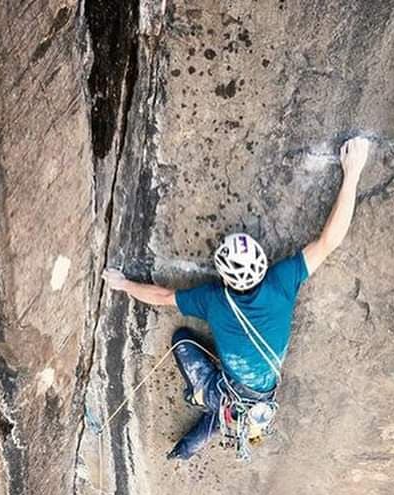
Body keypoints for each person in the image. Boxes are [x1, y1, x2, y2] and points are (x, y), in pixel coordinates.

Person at [103, 136, 370, 459]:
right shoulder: (283, 281)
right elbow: (329, 241)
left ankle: (207, 402)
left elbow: (162, 296)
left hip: (236, 394)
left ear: (224, 277)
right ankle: (207, 425)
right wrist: (352, 172)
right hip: (258, 396)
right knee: (219, 406)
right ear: (262, 264)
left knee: (182, 341)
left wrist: (123, 284)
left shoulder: (213, 300)